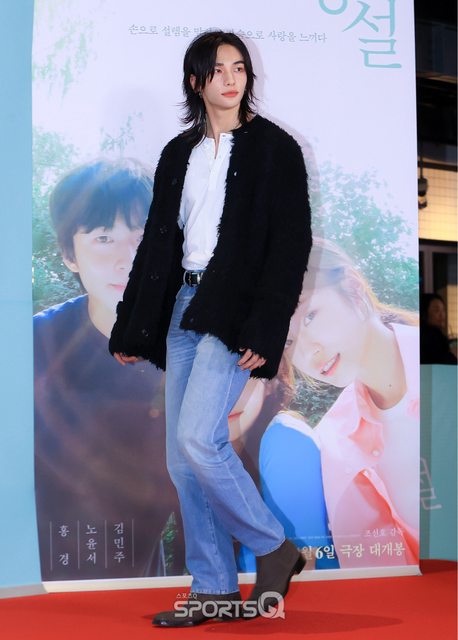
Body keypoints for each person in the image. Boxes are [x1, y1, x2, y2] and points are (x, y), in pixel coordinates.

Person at [109, 30, 312, 626]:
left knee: (201, 439)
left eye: (240, 68)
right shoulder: (179, 153)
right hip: (182, 307)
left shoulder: (275, 148)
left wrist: (266, 327)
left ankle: (274, 548)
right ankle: (213, 589)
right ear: (196, 81)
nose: (232, 78)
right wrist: (130, 326)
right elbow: (156, 245)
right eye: (219, 69)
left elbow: (289, 246)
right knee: (182, 459)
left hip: (234, 311)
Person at [34, 159, 184, 580]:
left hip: (138, 594)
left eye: (143, 238)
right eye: (103, 238)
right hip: (31, 594)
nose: (128, 259)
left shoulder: (189, 354)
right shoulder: (30, 347)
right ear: (69, 255)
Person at [259, 238, 420, 569]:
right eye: (288, 342)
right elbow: (378, 573)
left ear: (354, 289)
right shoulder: (334, 441)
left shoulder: (443, 375)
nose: (309, 351)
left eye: (310, 317)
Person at [420, 293, 457, 364]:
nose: (442, 315)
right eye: (436, 310)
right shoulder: (431, 336)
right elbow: (442, 360)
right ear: (424, 313)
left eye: (443, 310)